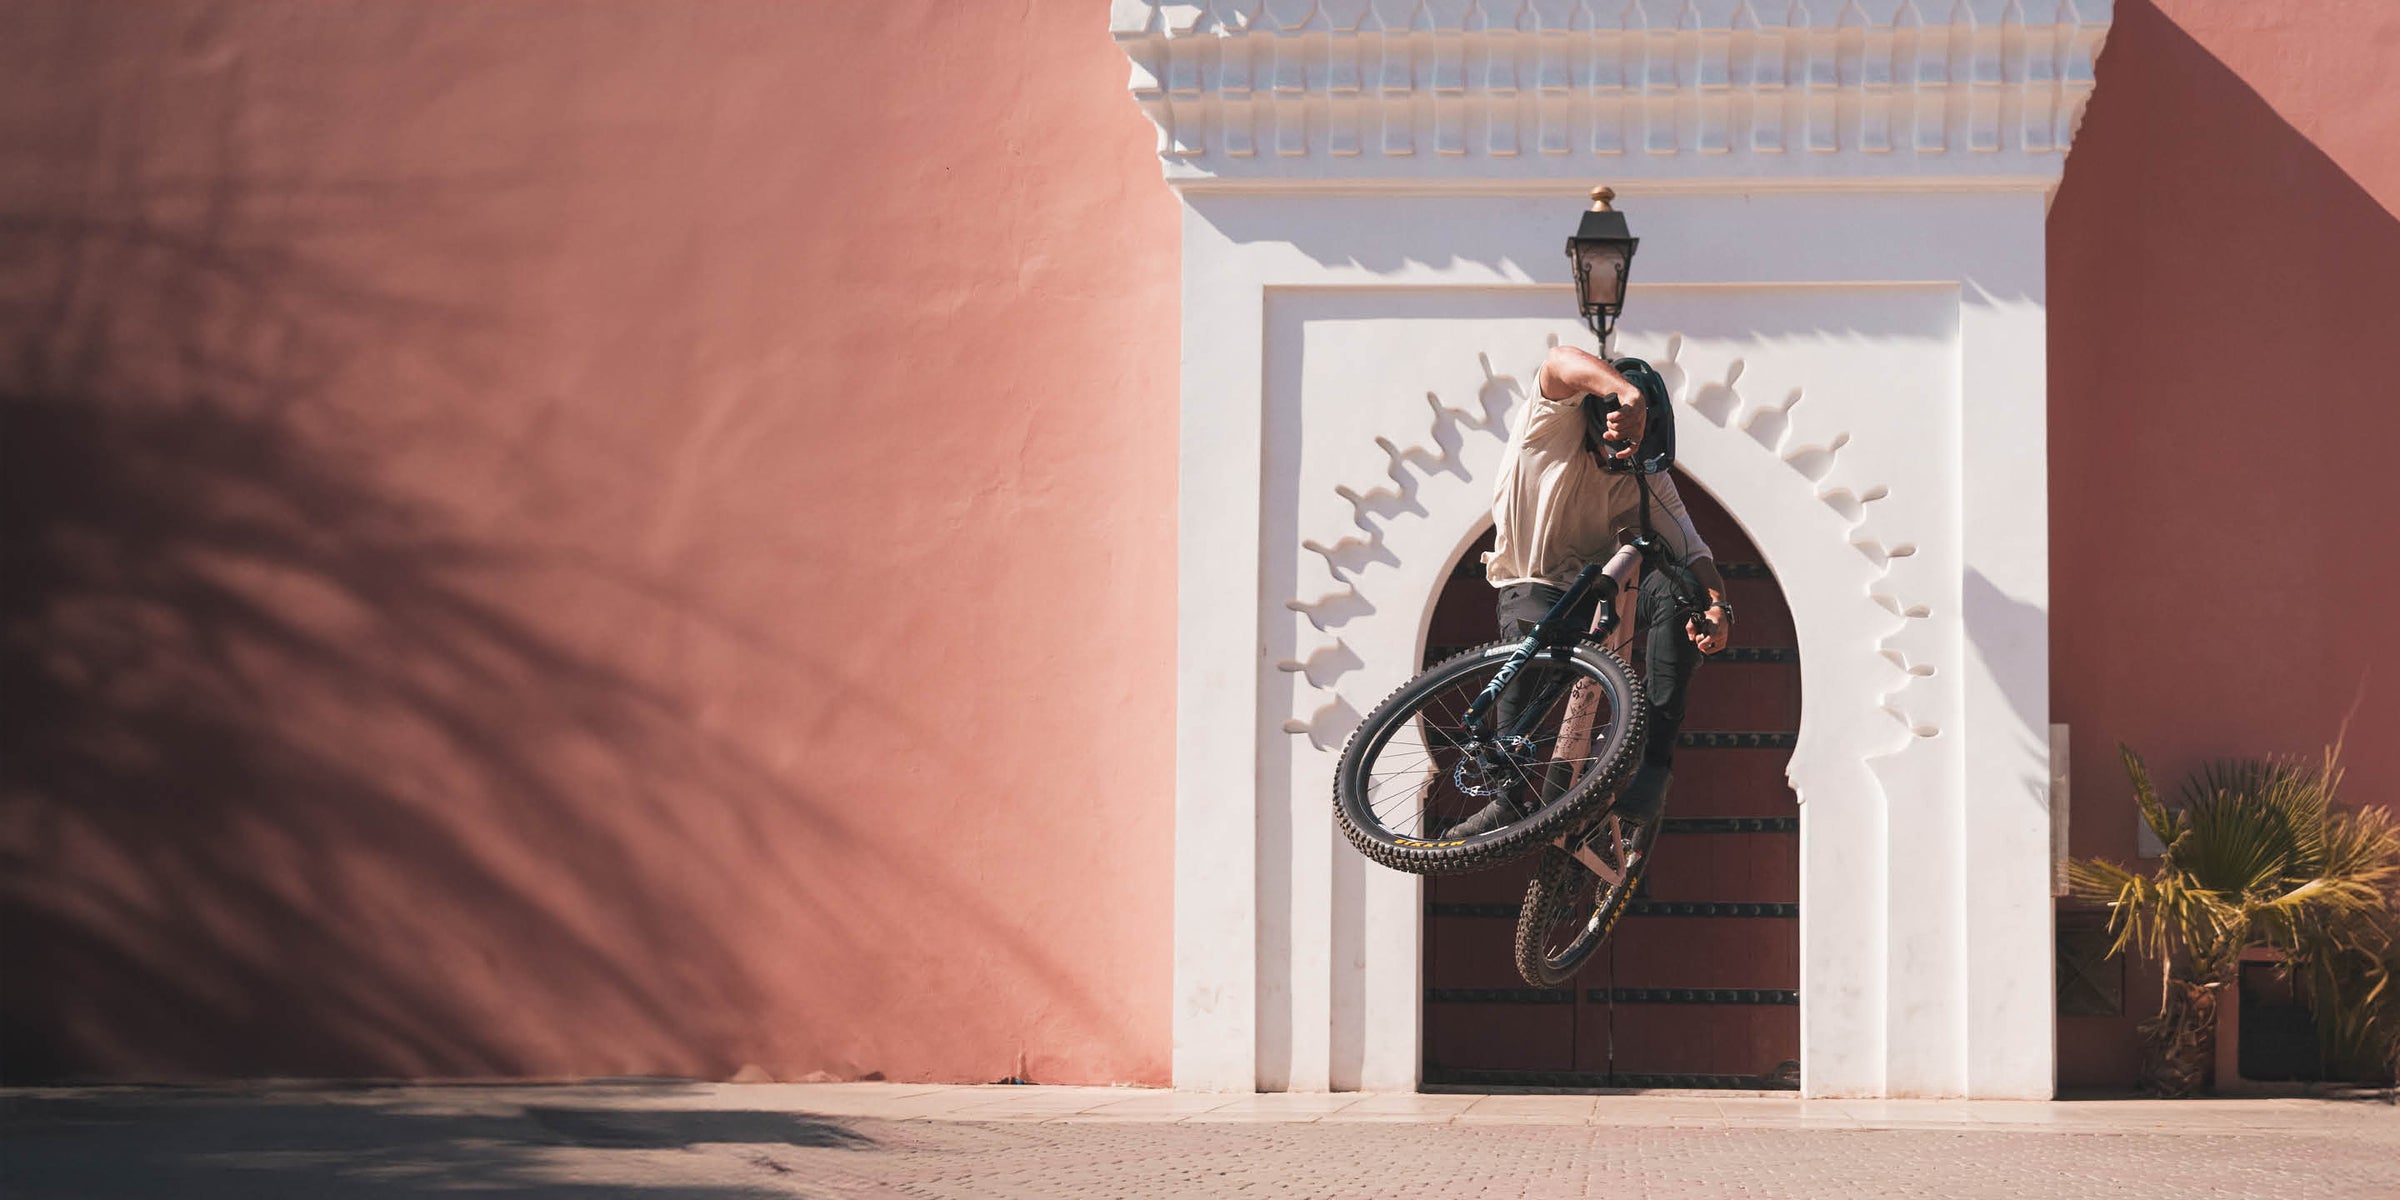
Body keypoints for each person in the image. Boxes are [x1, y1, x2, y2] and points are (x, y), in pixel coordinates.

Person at [1441, 343, 1732, 841]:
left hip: (1595, 599)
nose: (1625, 465)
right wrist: (1623, 392)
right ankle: (1507, 799)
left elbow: (1693, 551)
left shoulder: (1645, 472)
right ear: (1599, 422)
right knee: (1529, 634)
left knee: (1682, 591)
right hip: (1532, 585)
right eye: (1618, 450)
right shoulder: (1552, 426)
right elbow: (1558, 362)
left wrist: (1718, 606)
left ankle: (1653, 767)